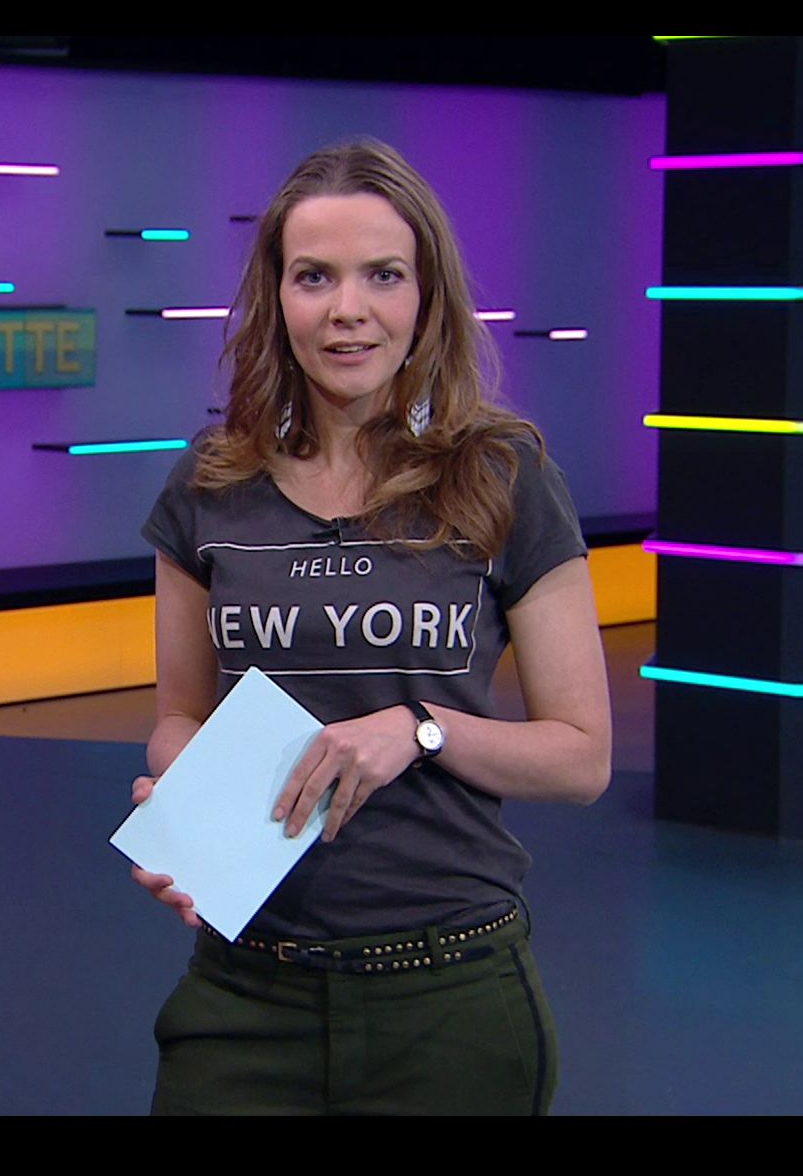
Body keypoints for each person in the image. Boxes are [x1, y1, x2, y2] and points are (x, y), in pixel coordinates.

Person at [131, 138, 612, 1115]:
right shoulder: (207, 484)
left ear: (427, 297)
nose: (347, 308)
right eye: (314, 276)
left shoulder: (504, 477)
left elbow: (581, 756)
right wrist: (190, 817)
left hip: (449, 995)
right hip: (244, 990)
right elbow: (179, 718)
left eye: (383, 275)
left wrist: (420, 729)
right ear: (277, 298)